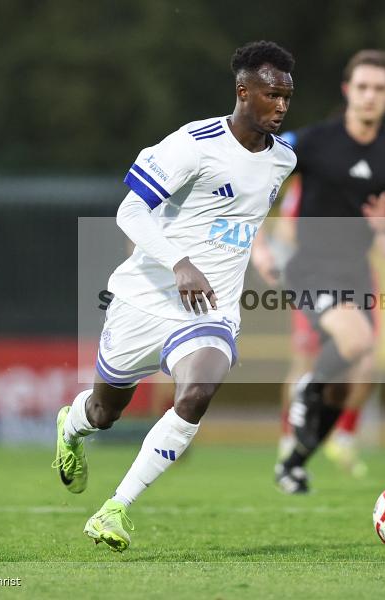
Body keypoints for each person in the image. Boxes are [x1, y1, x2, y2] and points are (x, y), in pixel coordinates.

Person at [52, 41, 296, 552]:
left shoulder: (282, 161)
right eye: (272, 95)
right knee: (104, 411)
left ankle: (115, 509)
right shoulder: (193, 143)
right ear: (243, 91)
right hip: (144, 299)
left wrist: (265, 252)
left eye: (287, 98)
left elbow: (241, 226)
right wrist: (180, 263)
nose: (281, 106)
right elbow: (130, 213)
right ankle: (71, 429)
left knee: (198, 392)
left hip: (211, 311)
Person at [253, 49, 385, 494]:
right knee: (353, 342)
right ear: (348, 91)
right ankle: (307, 392)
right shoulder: (312, 141)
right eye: (362, 87)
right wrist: (259, 247)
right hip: (309, 266)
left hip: (357, 272)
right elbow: (256, 179)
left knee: (353, 376)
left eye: (379, 89)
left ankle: (294, 461)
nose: (369, 96)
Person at [258, 176, 371, 478]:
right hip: (316, 279)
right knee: (306, 360)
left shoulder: (365, 182)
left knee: (363, 360)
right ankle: (289, 437)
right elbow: (285, 230)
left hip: (355, 281)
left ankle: (342, 436)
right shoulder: (307, 184)